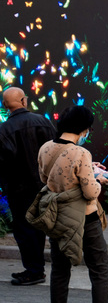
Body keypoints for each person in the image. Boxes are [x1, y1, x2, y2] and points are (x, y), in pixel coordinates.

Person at [28, 105, 108, 303]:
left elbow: (46, 178)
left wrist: (88, 169)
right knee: (100, 269)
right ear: (84, 129)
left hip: (57, 217)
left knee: (60, 270)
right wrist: (98, 178)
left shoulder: (45, 148)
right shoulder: (81, 152)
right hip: (85, 217)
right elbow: (90, 191)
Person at [0, 87, 57, 286]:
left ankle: (34, 270)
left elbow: (3, 163)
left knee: (25, 230)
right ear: (24, 101)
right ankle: (39, 269)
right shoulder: (44, 122)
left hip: (19, 189)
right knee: (43, 226)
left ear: (5, 105)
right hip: (45, 185)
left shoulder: (4, 130)